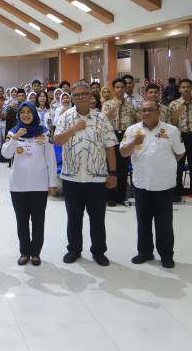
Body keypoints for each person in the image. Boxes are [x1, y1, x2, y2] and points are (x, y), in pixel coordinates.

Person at [54, 81, 117, 266]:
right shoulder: (65, 117)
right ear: (72, 98)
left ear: (91, 96)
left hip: (96, 178)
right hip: (71, 177)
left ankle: (98, 251)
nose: (80, 97)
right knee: (74, 217)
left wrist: (113, 173)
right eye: (76, 95)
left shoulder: (101, 118)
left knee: (97, 218)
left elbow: (110, 147)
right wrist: (73, 129)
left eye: (84, 94)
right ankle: (74, 250)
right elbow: (57, 141)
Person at [120, 100, 185, 269]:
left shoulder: (171, 130)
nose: (146, 113)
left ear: (158, 111)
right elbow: (123, 152)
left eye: (150, 110)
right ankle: (145, 252)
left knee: (164, 223)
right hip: (141, 183)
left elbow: (179, 153)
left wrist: (164, 165)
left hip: (164, 184)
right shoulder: (132, 130)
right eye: (143, 110)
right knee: (143, 221)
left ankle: (166, 255)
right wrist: (134, 142)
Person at [2, 102, 57, 266]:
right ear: (18, 115)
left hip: (39, 185)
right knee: (22, 221)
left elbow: (51, 159)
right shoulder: (13, 132)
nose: (26, 115)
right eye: (23, 112)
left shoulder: (44, 133)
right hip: (18, 185)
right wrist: (15, 138)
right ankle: (24, 252)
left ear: (34, 114)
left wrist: (52, 183)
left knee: (38, 221)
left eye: (29, 112)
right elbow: (6, 154)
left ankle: (36, 253)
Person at [168, 79, 192, 203]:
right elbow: (171, 123)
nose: (185, 89)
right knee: (177, 166)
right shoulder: (173, 104)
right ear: (179, 89)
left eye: (188, 87)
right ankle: (176, 192)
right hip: (179, 137)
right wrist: (180, 109)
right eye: (183, 87)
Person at [102, 78, 139, 206]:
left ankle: (121, 196)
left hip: (125, 136)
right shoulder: (107, 104)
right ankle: (110, 196)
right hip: (110, 136)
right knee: (111, 167)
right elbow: (103, 119)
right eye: (117, 87)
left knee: (123, 167)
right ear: (114, 89)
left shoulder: (130, 106)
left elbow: (136, 121)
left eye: (122, 87)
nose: (120, 89)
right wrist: (115, 106)